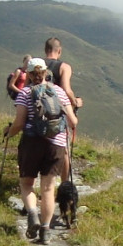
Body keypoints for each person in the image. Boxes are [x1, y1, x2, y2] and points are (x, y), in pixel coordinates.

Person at [3, 57, 78, 245]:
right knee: (48, 188)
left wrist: (8, 133)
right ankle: (45, 231)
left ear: (28, 74)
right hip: (56, 144)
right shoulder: (59, 92)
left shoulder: (25, 93)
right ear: (46, 73)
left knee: (27, 184)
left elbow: (19, 123)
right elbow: (73, 122)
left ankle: (32, 215)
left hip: (31, 143)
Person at [43, 37, 82, 179]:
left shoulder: (36, 65)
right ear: (59, 51)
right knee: (63, 149)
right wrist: (75, 102)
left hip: (36, 111)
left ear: (45, 50)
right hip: (57, 113)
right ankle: (65, 185)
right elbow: (66, 89)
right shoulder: (64, 67)